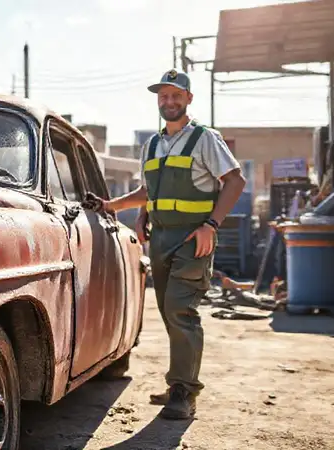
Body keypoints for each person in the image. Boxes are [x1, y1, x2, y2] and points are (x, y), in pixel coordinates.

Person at [84, 69, 246, 420]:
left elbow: (235, 180)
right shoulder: (152, 145)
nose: (169, 101)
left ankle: (185, 393)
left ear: (188, 99)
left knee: (180, 311)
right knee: (170, 314)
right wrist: (128, 210)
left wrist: (211, 225)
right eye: (163, 96)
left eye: (176, 95)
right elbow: (149, 190)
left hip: (193, 236)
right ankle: (178, 384)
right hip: (160, 238)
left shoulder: (205, 139)